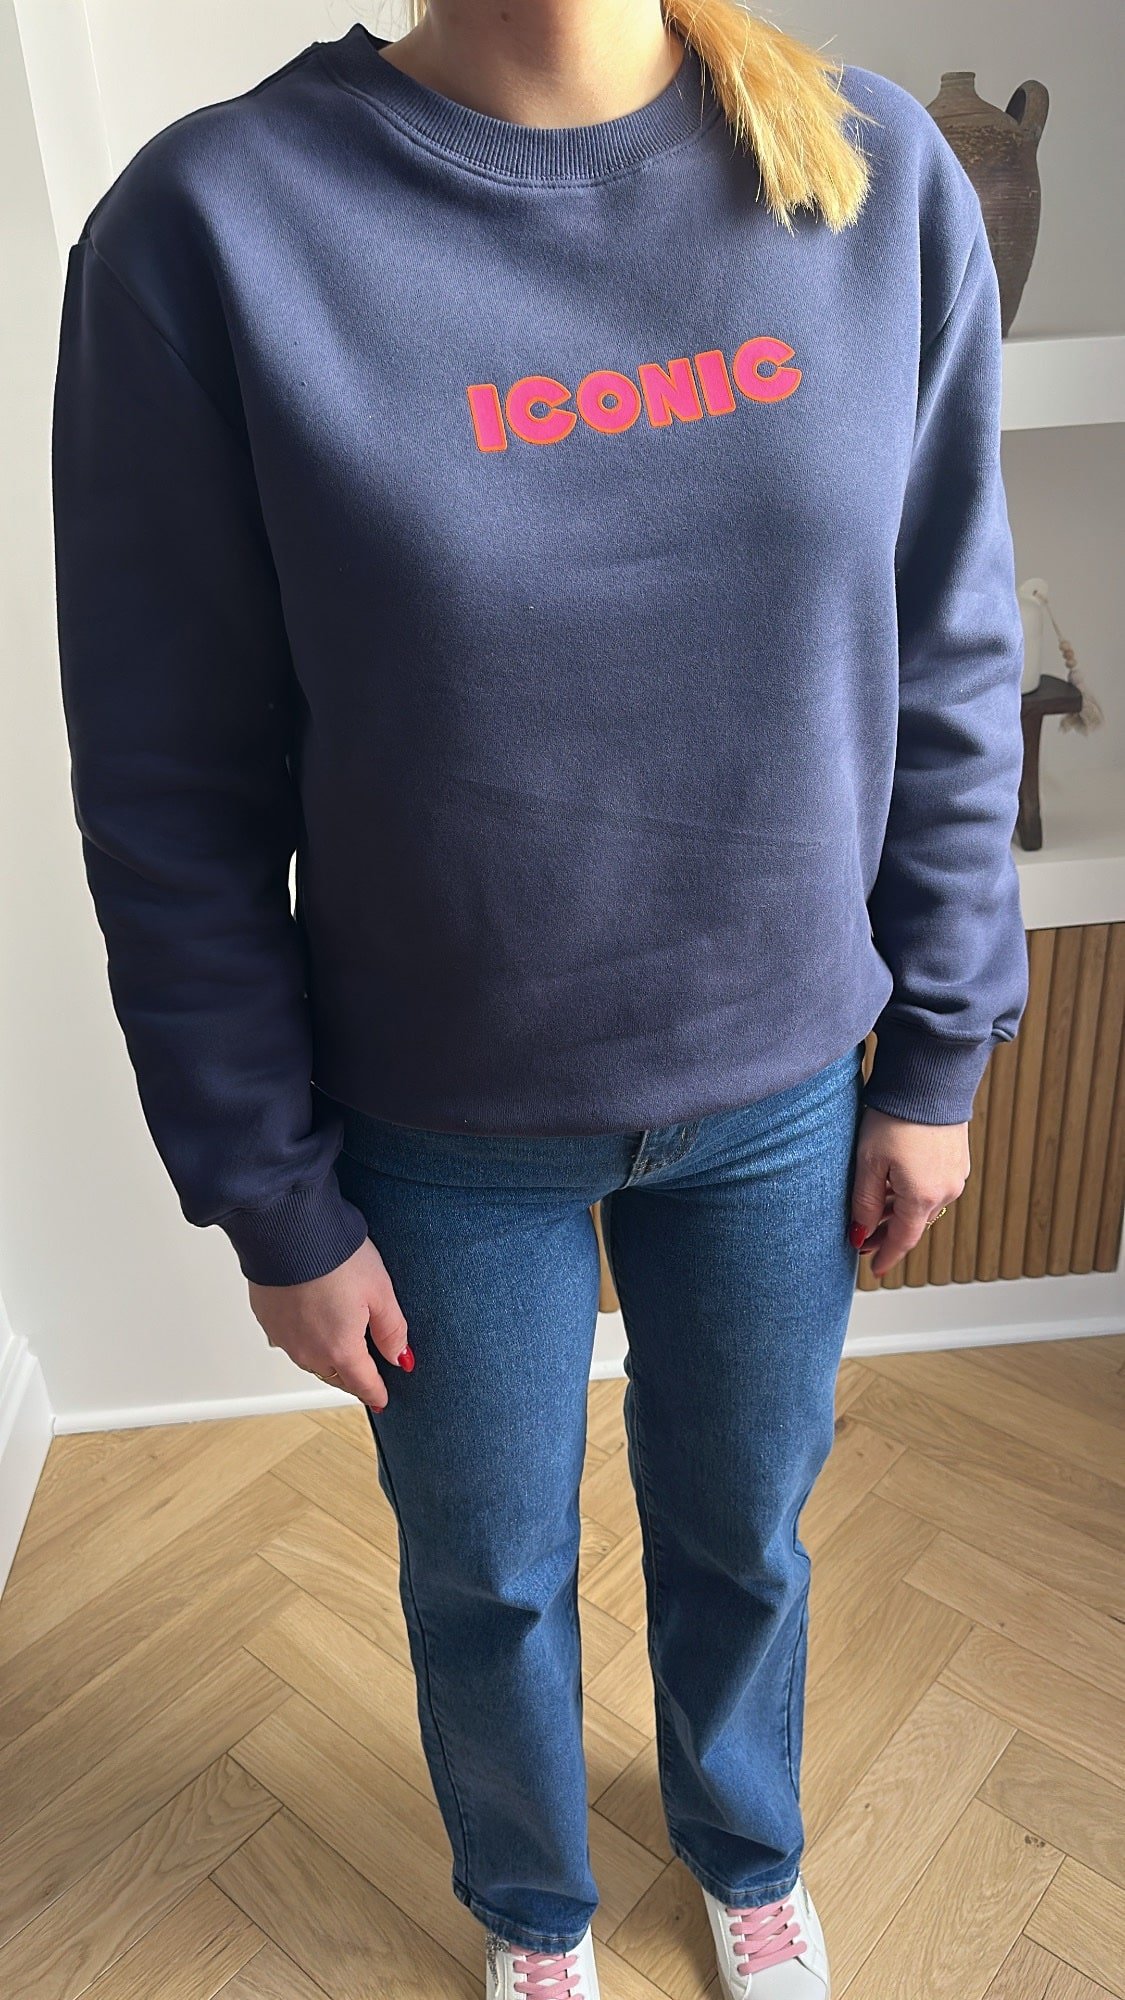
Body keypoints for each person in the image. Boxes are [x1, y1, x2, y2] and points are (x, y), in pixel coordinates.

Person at [50, 0, 1028, 1993]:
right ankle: (532, 1907)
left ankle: (744, 1843)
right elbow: (170, 785)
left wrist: (936, 1047)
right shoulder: (212, 229)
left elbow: (946, 643)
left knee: (743, 1532)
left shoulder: (867, 176)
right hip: (431, 1129)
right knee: (484, 1575)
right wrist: (270, 1193)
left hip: (780, 1090)